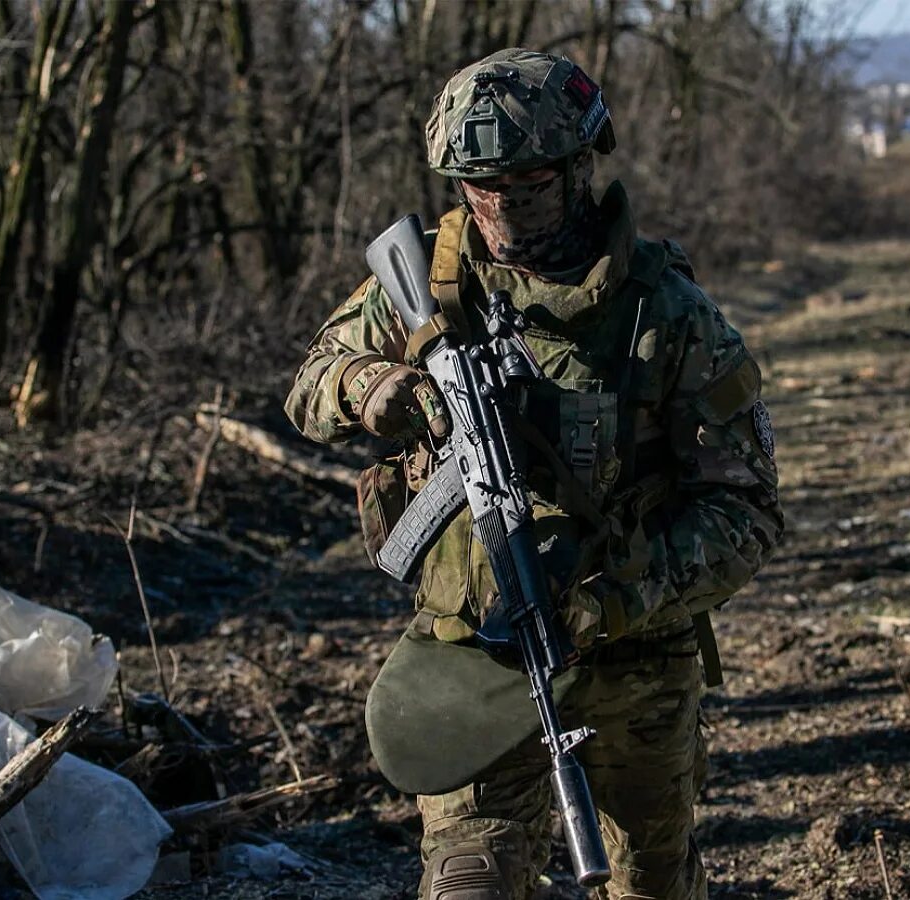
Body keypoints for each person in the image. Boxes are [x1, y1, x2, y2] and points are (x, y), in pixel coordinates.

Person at [285, 48, 783, 900]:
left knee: (650, 884)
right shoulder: (426, 292)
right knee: (468, 885)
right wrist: (373, 386)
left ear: (581, 166)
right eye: (479, 188)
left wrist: (620, 595)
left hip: (635, 664)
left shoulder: (667, 315)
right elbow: (311, 382)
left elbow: (745, 515)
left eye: (527, 185)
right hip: (473, 657)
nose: (501, 210)